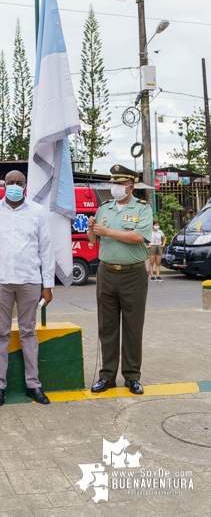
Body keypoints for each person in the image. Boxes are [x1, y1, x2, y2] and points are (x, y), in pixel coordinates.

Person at [0, 170, 55, 406]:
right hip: (0, 279)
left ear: (25, 186)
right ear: (4, 185)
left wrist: (47, 285)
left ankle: (33, 384)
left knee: (28, 331)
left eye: (19, 183)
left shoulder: (38, 212)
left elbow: (47, 248)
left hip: (29, 279)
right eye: (10, 182)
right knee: (1, 333)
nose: (15, 185)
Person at [87, 165, 153, 396]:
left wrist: (107, 232)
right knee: (107, 327)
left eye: (119, 184)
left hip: (133, 274)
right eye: (113, 183)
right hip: (106, 273)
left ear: (130, 187)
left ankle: (132, 376)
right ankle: (106, 376)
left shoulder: (143, 209)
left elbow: (138, 237)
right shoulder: (104, 208)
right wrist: (91, 229)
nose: (114, 188)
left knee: (133, 328)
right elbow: (95, 238)